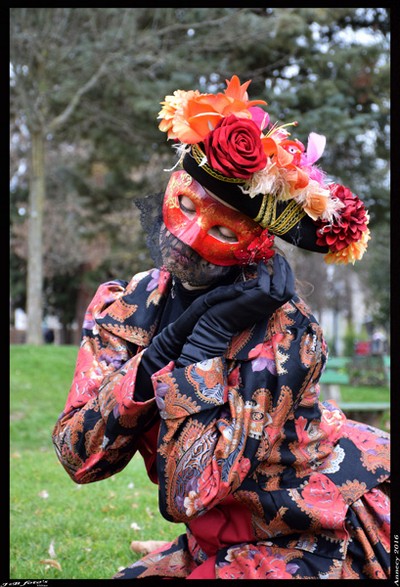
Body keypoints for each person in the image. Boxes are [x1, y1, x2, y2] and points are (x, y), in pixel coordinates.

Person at [52, 75, 390, 580]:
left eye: (224, 229)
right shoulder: (131, 303)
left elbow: (189, 490)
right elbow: (77, 453)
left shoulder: (285, 336)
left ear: (258, 244)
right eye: (186, 204)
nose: (186, 236)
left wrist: (205, 343)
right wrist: (160, 350)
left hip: (314, 534)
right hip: (216, 537)